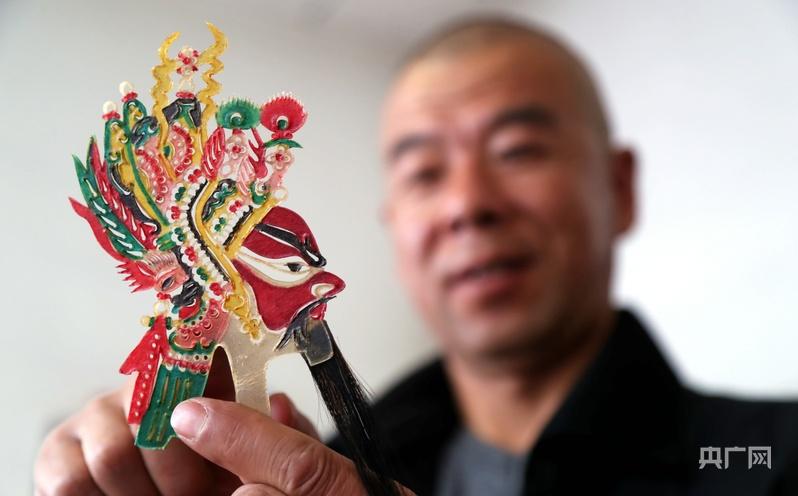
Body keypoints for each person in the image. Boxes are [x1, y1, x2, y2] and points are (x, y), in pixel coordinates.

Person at [34, 17, 798, 496]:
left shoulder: (768, 462)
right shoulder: (318, 467)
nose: (466, 204)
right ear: (394, 228)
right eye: (425, 173)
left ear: (620, 188)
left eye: (518, 150)